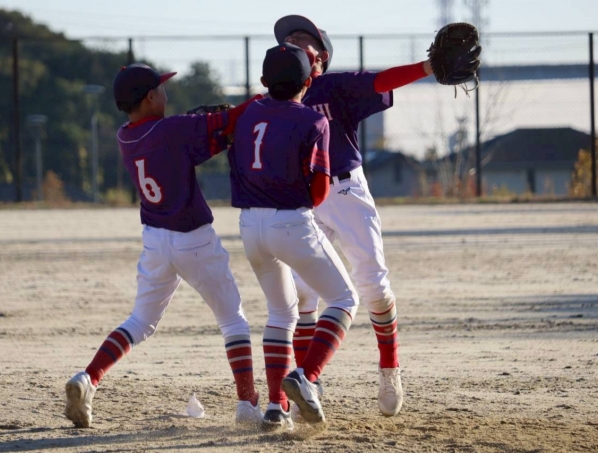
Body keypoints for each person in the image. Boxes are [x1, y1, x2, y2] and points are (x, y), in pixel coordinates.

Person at [64, 63, 263, 428]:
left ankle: (89, 377)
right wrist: (268, 96)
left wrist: (214, 136)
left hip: (156, 242)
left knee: (140, 320)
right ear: (150, 97)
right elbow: (231, 118)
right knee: (232, 318)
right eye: (162, 89)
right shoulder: (171, 129)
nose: (166, 94)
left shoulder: (125, 135)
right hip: (194, 239)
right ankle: (248, 403)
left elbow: (187, 148)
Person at [273, 15, 436, 417]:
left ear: (321, 57)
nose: (292, 42)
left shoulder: (335, 86)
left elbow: (382, 81)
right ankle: (308, 383)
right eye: (288, 39)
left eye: (302, 39)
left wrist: (427, 67)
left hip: (345, 189)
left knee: (373, 286)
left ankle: (389, 369)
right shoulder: (278, 95)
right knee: (302, 293)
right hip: (302, 198)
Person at [228, 43, 359, 429]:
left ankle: (276, 406)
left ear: (263, 80)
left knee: (281, 312)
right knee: (344, 299)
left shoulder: (247, 112)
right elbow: (319, 191)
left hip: (249, 225)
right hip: (291, 222)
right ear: (308, 82)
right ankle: (307, 376)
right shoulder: (313, 120)